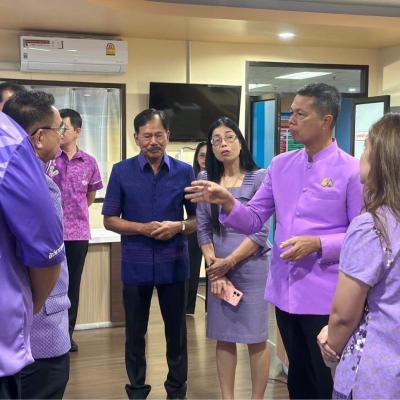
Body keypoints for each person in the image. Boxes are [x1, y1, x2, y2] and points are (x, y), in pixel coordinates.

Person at [185, 83, 363, 399]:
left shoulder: (351, 170)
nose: (290, 121)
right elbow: (254, 219)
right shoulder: (281, 165)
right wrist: (228, 201)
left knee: (326, 381)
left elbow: (361, 234)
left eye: (300, 114)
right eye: (291, 112)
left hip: (327, 296)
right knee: (298, 379)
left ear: (326, 121)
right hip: (285, 292)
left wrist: (319, 244)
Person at [103, 108, 196, 399]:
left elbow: (197, 220)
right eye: (146, 136)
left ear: (168, 135)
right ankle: (137, 390)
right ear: (136, 138)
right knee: (134, 334)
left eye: (158, 135)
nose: (153, 141)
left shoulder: (185, 172)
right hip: (135, 264)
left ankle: (176, 391)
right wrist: (141, 228)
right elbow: (109, 219)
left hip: (174, 264)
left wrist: (178, 226)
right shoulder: (121, 171)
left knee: (176, 333)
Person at [317, 113, 400, 399]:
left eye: (366, 147)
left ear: (381, 160)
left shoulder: (373, 226)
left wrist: (331, 344)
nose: (360, 155)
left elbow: (344, 316)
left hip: (376, 373)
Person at [3, 90, 71, 399]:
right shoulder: (35, 184)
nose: (63, 136)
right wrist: (31, 310)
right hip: (39, 328)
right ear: (40, 137)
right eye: (60, 129)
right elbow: (46, 260)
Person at [196, 118, 270, 399]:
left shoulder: (259, 177)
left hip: (252, 267)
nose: (223, 144)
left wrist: (230, 263)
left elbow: (260, 231)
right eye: (216, 140)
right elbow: (203, 229)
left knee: (256, 338)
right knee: (223, 336)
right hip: (218, 270)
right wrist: (215, 266)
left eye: (229, 137)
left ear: (240, 142)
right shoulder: (207, 180)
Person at [49, 108, 103, 352]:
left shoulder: (89, 162)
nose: (60, 132)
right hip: (51, 233)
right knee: (50, 284)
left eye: (64, 128)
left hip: (78, 233)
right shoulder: (49, 159)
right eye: (57, 127)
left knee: (73, 285)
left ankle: (68, 334)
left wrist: (74, 214)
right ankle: (50, 333)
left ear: (78, 131)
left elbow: (89, 196)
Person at [186, 141, 207, 315]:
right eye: (202, 156)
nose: (205, 159)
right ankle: (188, 308)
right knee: (191, 268)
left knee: (213, 268)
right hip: (194, 227)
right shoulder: (190, 178)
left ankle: (212, 309)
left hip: (215, 230)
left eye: (209, 156)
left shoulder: (221, 178)